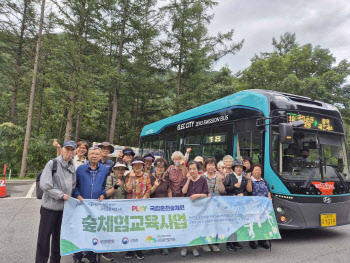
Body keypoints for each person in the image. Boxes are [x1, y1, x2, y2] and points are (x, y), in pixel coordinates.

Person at [35, 141, 77, 263]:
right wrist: (61, 195)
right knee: (44, 239)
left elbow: (73, 185)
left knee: (58, 239)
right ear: (62, 150)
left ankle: (55, 261)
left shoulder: (72, 165)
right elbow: (45, 185)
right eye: (67, 149)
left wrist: (71, 197)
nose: (69, 152)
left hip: (64, 210)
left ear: (74, 152)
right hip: (49, 208)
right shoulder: (52, 163)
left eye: (71, 150)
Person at [72, 147, 109, 263]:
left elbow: (104, 186)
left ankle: (91, 256)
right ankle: (77, 255)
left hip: (96, 207)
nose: (94, 156)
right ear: (88, 156)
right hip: (82, 206)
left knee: (94, 231)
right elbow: (74, 186)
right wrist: (77, 195)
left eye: (97, 154)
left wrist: (103, 194)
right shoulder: (80, 169)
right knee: (81, 230)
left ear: (100, 156)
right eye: (92, 153)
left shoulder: (104, 169)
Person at [124, 156, 152, 259]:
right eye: (135, 164)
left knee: (140, 227)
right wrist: (131, 178)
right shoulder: (128, 175)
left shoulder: (146, 176)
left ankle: (138, 249)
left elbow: (149, 189)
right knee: (130, 227)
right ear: (132, 166)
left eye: (139, 164)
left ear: (142, 166)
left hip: (142, 206)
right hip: (130, 206)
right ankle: (129, 249)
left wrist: (145, 197)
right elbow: (127, 189)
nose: (137, 166)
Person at [180, 161, 209, 257]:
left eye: (194, 169)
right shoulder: (186, 179)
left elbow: (206, 194)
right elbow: (183, 191)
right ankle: (184, 247)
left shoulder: (203, 180)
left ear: (198, 170)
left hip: (199, 208)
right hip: (188, 208)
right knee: (186, 227)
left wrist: (197, 195)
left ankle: (195, 247)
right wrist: (188, 180)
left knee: (196, 228)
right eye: (190, 169)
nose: (192, 171)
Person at [103, 159, 128, 262]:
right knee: (108, 229)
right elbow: (106, 194)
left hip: (123, 209)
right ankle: (105, 251)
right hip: (110, 208)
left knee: (119, 228)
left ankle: (117, 246)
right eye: (118, 169)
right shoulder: (109, 178)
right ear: (113, 169)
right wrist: (115, 187)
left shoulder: (126, 179)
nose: (120, 171)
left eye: (123, 169)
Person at [202, 157, 226, 253]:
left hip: (216, 205)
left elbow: (222, 190)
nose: (211, 167)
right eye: (209, 165)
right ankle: (205, 244)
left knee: (216, 224)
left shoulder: (218, 176)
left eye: (213, 165)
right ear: (205, 166)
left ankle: (215, 244)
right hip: (205, 205)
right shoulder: (202, 177)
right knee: (205, 224)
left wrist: (220, 181)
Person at [149, 157, 172, 255]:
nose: (159, 169)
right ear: (155, 167)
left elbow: (169, 190)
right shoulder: (150, 177)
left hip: (164, 206)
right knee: (153, 226)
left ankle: (164, 246)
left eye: (162, 167)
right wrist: (155, 185)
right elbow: (148, 192)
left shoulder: (167, 178)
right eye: (158, 167)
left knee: (163, 226)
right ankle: (150, 245)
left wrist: (170, 201)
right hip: (153, 206)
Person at [224, 159, 248, 251]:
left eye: (240, 167)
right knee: (231, 222)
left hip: (240, 204)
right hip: (230, 203)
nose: (239, 169)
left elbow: (247, 191)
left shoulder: (245, 179)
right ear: (234, 168)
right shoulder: (229, 176)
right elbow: (225, 189)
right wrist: (234, 186)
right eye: (237, 167)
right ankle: (229, 242)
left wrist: (243, 194)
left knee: (238, 222)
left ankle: (236, 241)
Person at [246, 164, 272, 249]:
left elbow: (268, 190)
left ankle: (262, 240)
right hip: (253, 206)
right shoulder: (250, 180)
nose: (258, 172)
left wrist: (269, 196)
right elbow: (249, 190)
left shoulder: (263, 180)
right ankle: (252, 241)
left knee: (263, 222)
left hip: (264, 207)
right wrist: (249, 179)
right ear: (252, 171)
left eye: (259, 170)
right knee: (254, 223)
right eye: (256, 170)